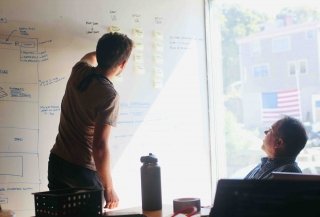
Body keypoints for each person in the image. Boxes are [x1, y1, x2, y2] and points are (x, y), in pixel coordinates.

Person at [47, 32, 134, 209]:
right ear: (123, 64)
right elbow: (100, 146)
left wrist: (101, 53)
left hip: (58, 162)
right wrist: (109, 188)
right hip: (82, 171)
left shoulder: (79, 71)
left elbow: (89, 57)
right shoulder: (109, 95)